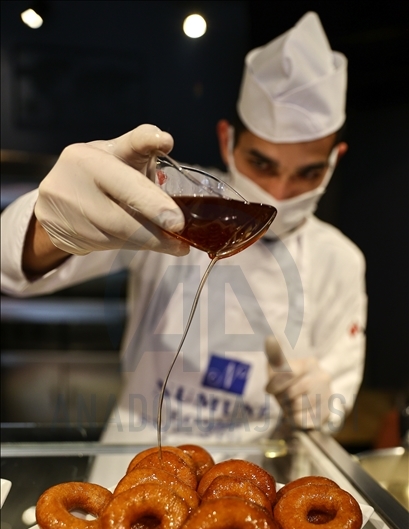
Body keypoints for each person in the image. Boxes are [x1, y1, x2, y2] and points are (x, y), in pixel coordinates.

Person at [1, 12, 366, 484]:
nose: (278, 189)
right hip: (131, 468)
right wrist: (53, 225)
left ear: (335, 160)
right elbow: (9, 269)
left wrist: (315, 400)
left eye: (307, 173)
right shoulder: (170, 197)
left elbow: (330, 406)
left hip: (248, 483)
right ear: (227, 140)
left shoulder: (339, 260)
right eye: (261, 162)